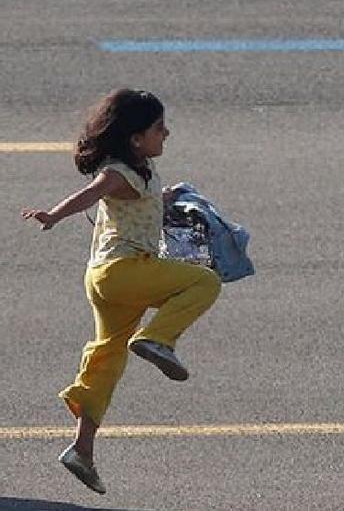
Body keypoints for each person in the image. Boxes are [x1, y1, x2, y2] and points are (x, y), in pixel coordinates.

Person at [20, 89, 223, 495]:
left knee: (107, 359)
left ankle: (82, 450)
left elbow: (137, 200)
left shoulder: (141, 168)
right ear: (135, 138)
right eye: (158, 128)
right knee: (204, 282)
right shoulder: (118, 172)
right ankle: (157, 339)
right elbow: (92, 192)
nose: (167, 133)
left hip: (107, 282)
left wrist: (167, 199)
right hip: (123, 272)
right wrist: (53, 216)